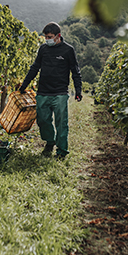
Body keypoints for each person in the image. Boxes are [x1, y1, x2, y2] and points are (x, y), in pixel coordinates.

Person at [19, 22, 82, 159]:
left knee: (61, 123)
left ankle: (61, 151)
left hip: (60, 93)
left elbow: (75, 72)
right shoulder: (43, 49)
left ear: (58, 36)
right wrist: (24, 85)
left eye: (50, 37)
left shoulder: (68, 50)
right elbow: (35, 67)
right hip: (43, 92)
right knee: (42, 120)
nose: (47, 39)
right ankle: (50, 141)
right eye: (46, 37)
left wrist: (78, 90)